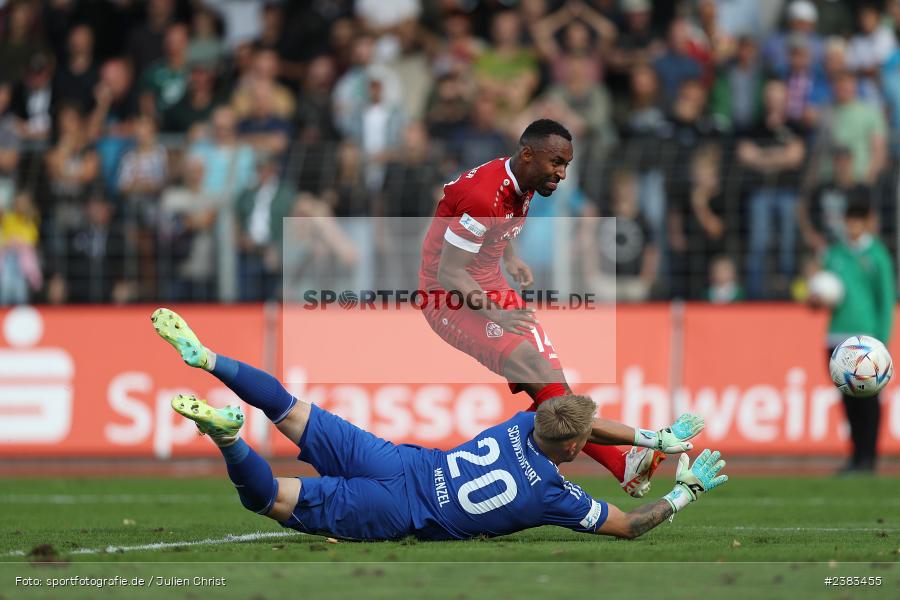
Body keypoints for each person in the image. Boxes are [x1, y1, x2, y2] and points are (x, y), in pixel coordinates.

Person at [151, 307, 724, 542]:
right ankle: (227, 437)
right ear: (572, 446)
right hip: (399, 512)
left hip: (399, 461)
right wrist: (684, 491)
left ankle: (207, 358)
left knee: (290, 409)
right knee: (270, 500)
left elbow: (578, 422)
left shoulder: (520, 427)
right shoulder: (555, 494)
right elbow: (627, 525)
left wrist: (652, 439)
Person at [418, 119, 663, 498]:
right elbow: (450, 273)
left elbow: (494, 228)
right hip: (449, 297)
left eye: (566, 164)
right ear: (528, 154)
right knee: (545, 382)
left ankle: (619, 467)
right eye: (557, 163)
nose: (562, 174)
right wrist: (495, 313)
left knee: (553, 386)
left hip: (490, 284)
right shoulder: (483, 195)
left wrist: (510, 258)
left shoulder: (527, 179)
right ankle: (517, 470)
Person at [810, 194, 895, 474]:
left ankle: (868, 458)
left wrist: (883, 338)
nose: (853, 226)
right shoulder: (835, 254)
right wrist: (817, 299)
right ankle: (856, 455)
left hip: (867, 339)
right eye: (850, 221)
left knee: (869, 399)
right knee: (847, 398)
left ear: (867, 222)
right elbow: (822, 296)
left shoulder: (877, 255)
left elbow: (886, 298)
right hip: (837, 336)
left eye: (858, 221)